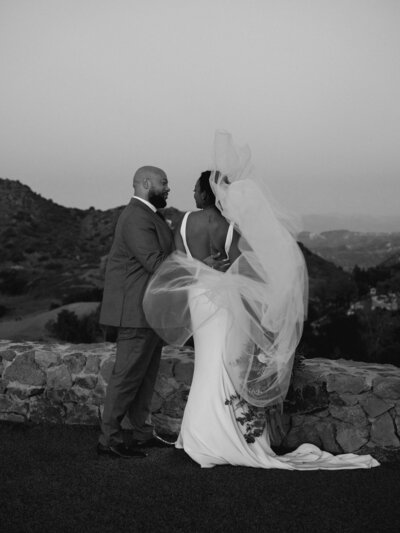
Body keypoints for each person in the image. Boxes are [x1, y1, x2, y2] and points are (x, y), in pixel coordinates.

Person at [143, 132, 379, 470]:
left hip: (199, 297)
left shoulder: (183, 222)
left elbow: (180, 262)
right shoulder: (229, 225)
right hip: (225, 298)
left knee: (206, 362)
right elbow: (250, 264)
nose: (192, 193)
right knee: (226, 362)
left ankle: (198, 434)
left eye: (196, 189)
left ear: (206, 191)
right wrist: (224, 270)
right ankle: (227, 435)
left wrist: (203, 269)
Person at [97, 166, 175, 458]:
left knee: (145, 377)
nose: (168, 187)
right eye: (163, 182)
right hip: (135, 312)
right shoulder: (134, 217)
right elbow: (155, 263)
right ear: (145, 183)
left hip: (150, 312)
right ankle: (109, 440)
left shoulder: (149, 216)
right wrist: (198, 265)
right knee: (126, 376)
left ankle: (141, 433)